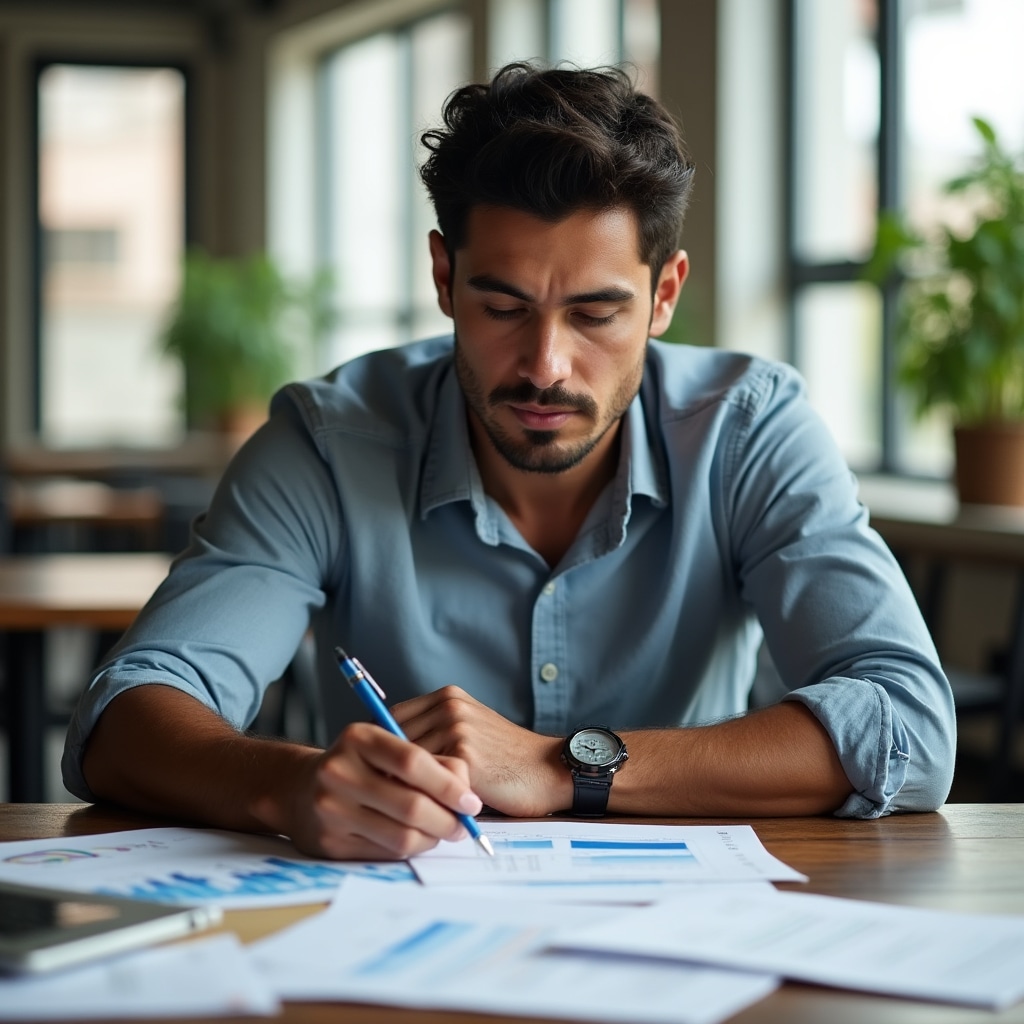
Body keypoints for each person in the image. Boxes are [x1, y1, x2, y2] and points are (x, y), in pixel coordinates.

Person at [63, 62, 955, 861]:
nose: (545, 365)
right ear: (445, 278)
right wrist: (286, 785)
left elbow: (908, 725)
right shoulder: (330, 442)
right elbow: (125, 715)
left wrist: (562, 766)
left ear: (665, 295)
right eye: (502, 306)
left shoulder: (749, 429)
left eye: (598, 314)